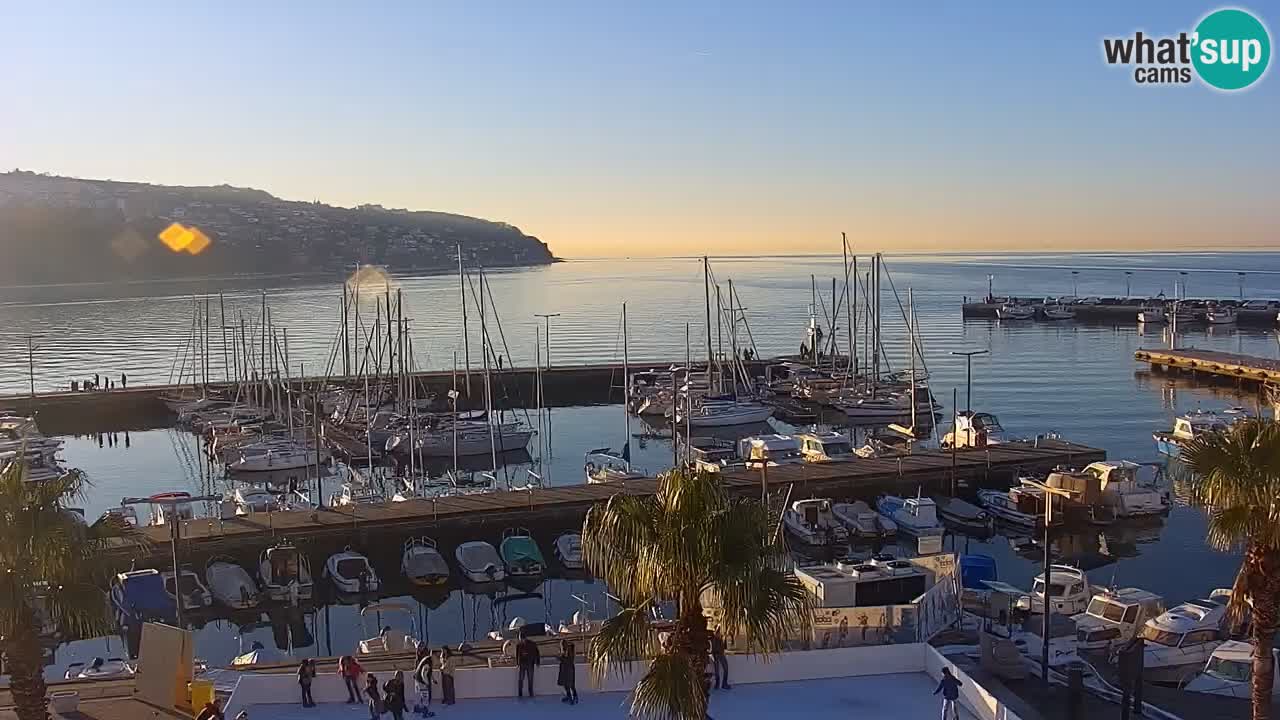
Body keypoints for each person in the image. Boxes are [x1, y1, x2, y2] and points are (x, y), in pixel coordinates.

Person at [413, 649, 436, 717]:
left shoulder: (427, 659)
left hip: (417, 679)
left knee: (417, 694)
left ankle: (416, 709)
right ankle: (425, 713)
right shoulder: (428, 662)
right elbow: (424, 673)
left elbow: (429, 673)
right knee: (425, 696)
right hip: (421, 681)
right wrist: (426, 683)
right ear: (433, 656)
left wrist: (433, 679)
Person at [557, 639, 578, 705]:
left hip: (567, 669)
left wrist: (560, 658)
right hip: (567, 669)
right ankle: (572, 697)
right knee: (569, 684)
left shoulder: (567, 651)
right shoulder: (566, 650)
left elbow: (567, 660)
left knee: (568, 684)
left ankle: (571, 697)